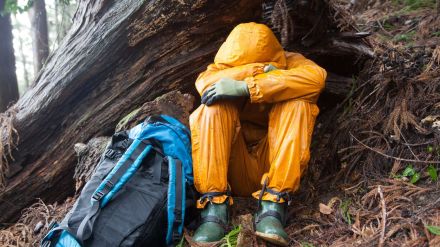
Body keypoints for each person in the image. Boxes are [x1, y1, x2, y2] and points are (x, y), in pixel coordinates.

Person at [189, 22, 326, 246]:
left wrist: (247, 87)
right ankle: (214, 209)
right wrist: (260, 72)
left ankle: (273, 208)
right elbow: (205, 85)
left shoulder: (293, 61)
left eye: (262, 62)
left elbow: (316, 79)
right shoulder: (216, 70)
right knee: (211, 108)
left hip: (274, 164)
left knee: (298, 104)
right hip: (233, 167)